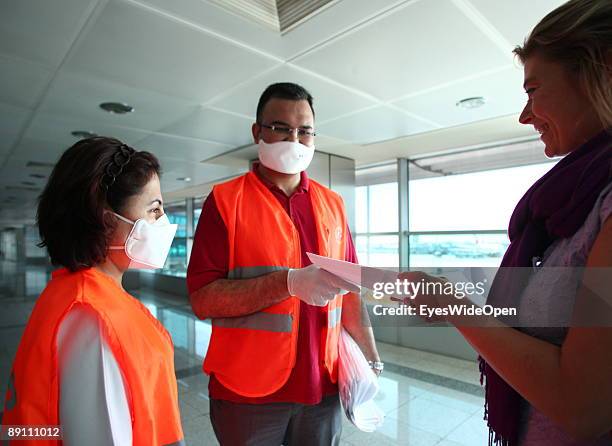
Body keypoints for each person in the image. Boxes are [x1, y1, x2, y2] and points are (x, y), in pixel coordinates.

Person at [401, 0, 612, 445]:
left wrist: (452, 306)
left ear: (603, 71)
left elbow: (584, 405)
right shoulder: (583, 195)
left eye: (533, 90)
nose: (524, 114)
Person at [187, 82, 381, 445]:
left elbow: (350, 293)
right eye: (280, 128)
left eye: (304, 131)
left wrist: (371, 356)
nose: (294, 139)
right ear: (257, 132)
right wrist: (287, 283)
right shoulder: (226, 202)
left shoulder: (332, 204)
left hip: (323, 388)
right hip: (248, 394)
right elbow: (203, 299)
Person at [1, 137, 185, 446]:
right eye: (154, 209)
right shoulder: (92, 319)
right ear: (106, 220)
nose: (162, 222)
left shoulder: (77, 292)